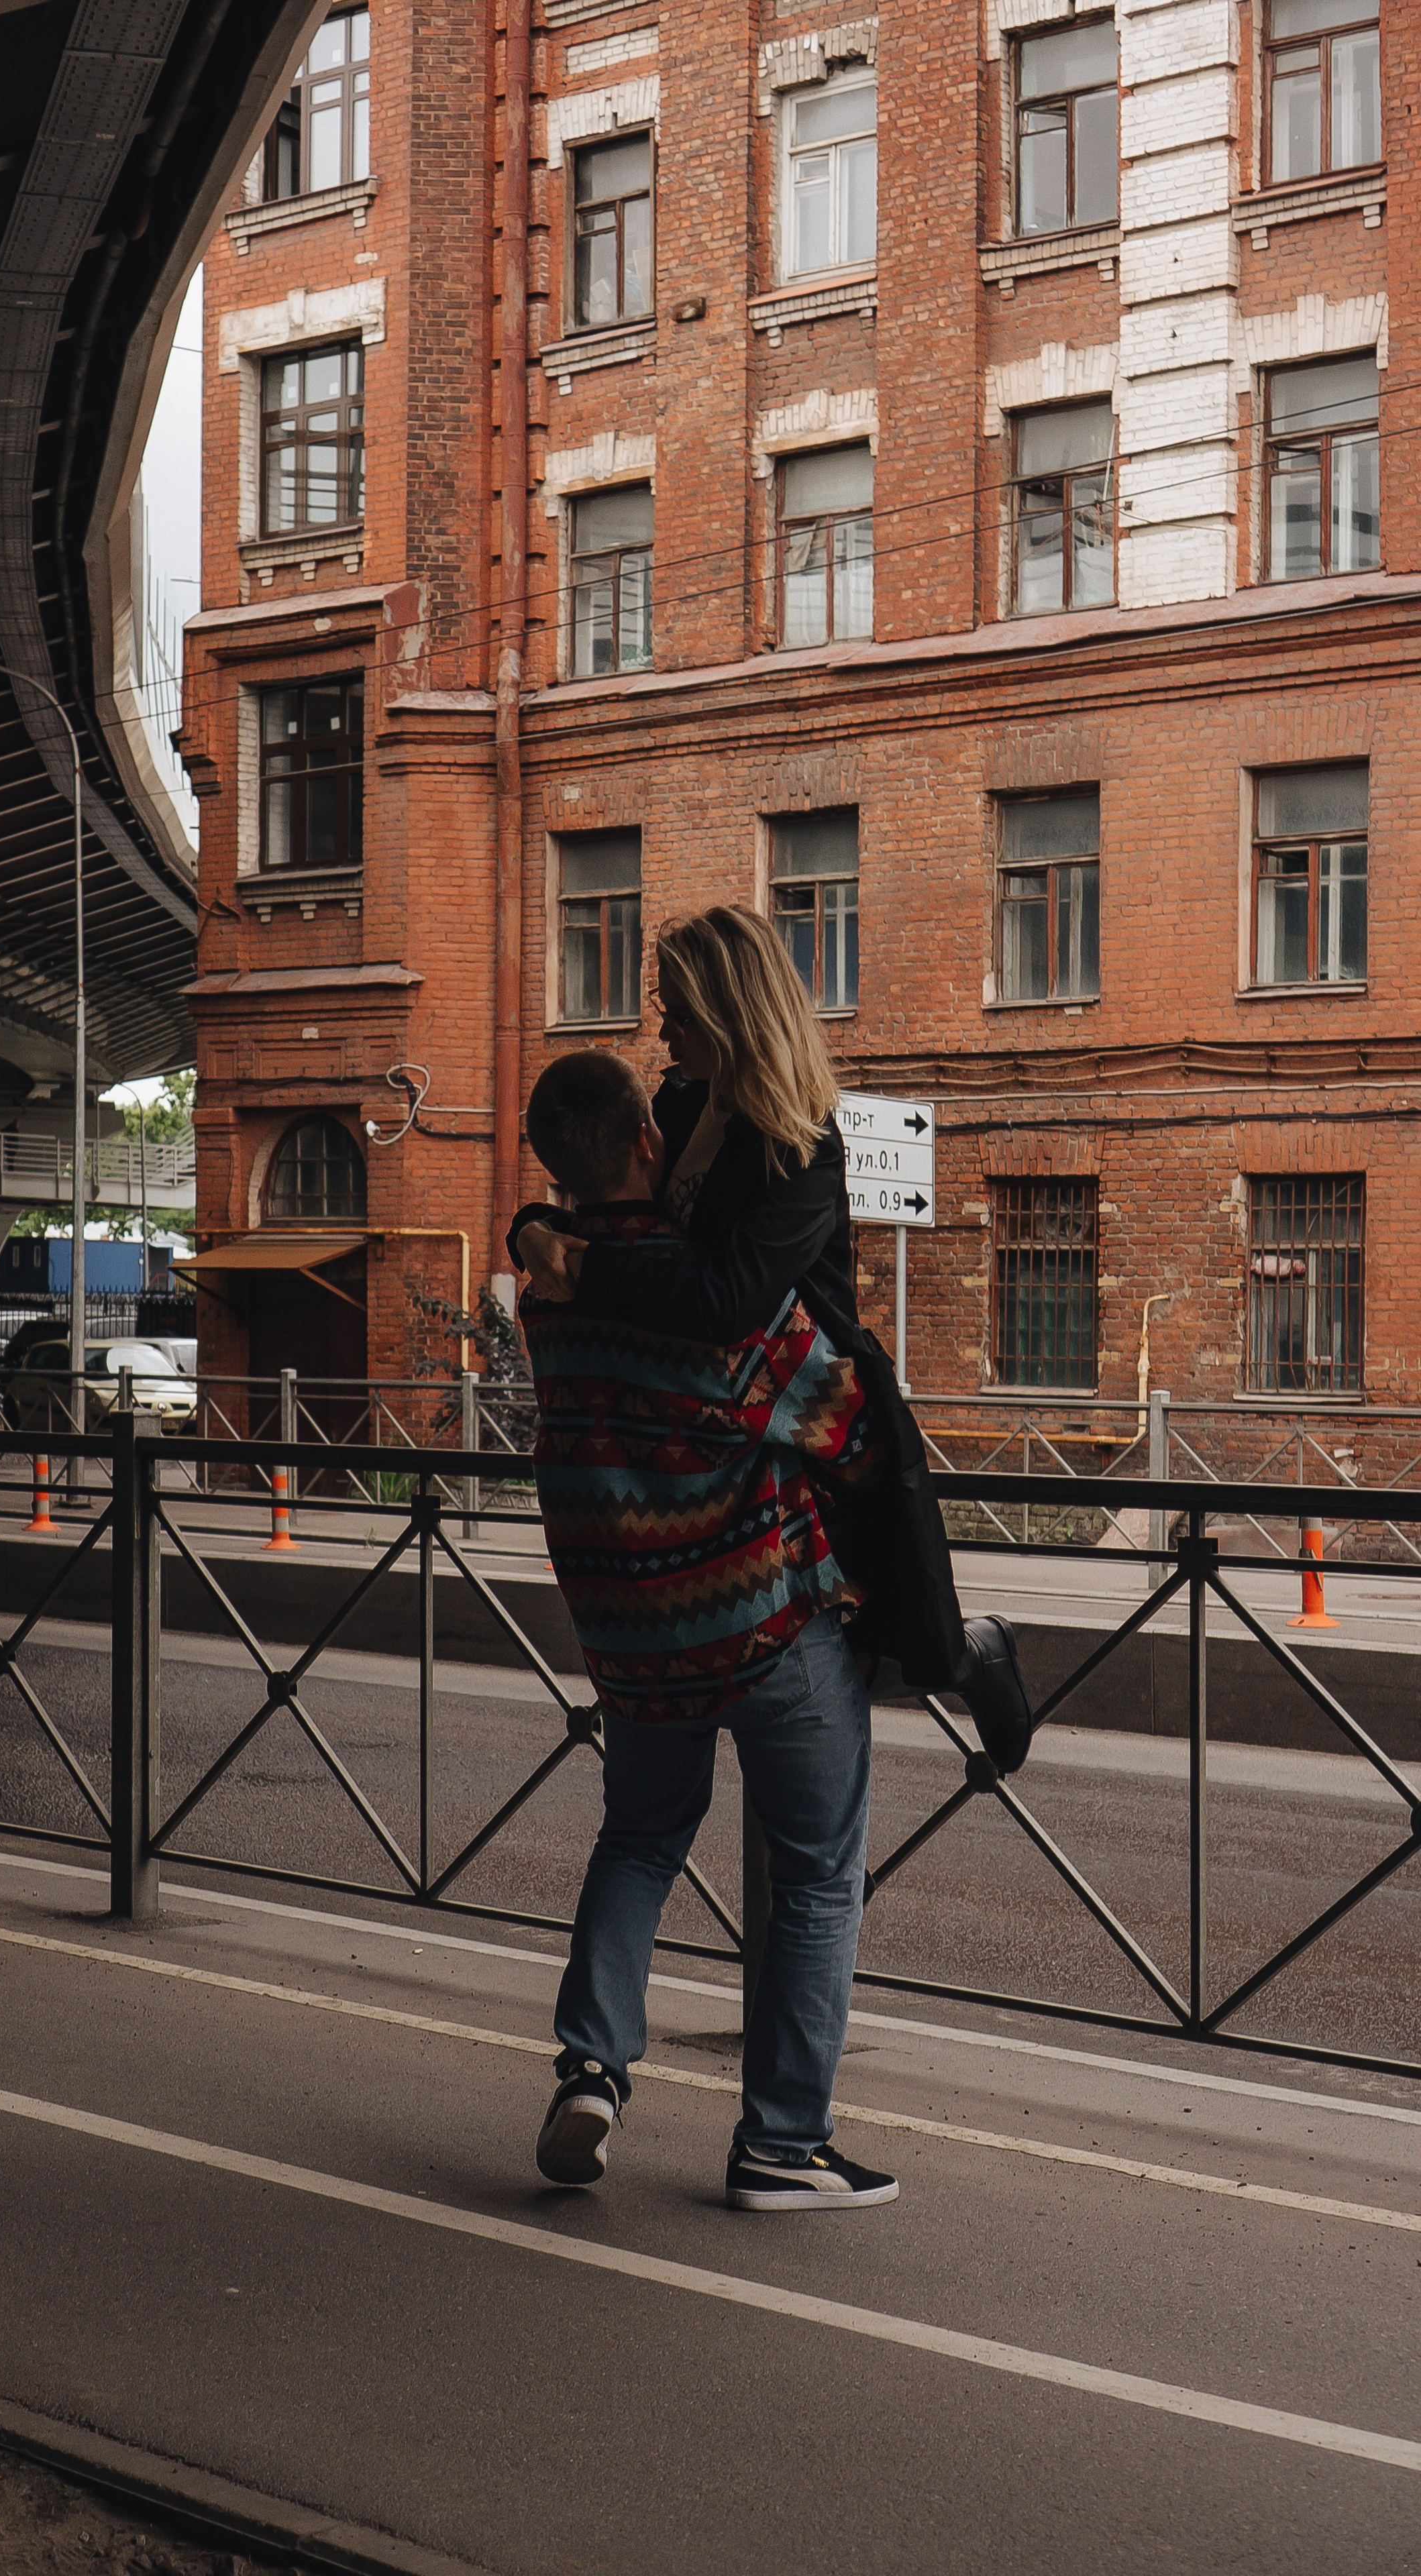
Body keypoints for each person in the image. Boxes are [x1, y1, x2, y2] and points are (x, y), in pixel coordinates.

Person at [511, 905, 1033, 1770]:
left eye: (677, 1007)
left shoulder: (801, 1143)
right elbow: (606, 1195)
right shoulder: (678, 1102)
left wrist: (584, 1271)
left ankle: (981, 1658)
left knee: (890, 1634)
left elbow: (727, 1298)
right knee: (802, 1663)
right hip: (726, 1412)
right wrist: (531, 1228)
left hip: (817, 1419)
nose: (663, 1024)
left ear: (731, 1010)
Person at [519, 1046, 900, 2214]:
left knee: (637, 1839)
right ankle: (784, 2144)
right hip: (765, 1624)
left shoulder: (550, 1295)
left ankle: (591, 2065)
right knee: (818, 1875)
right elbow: (844, 1423)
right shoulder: (708, 1292)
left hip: (633, 1643)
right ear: (648, 1142)